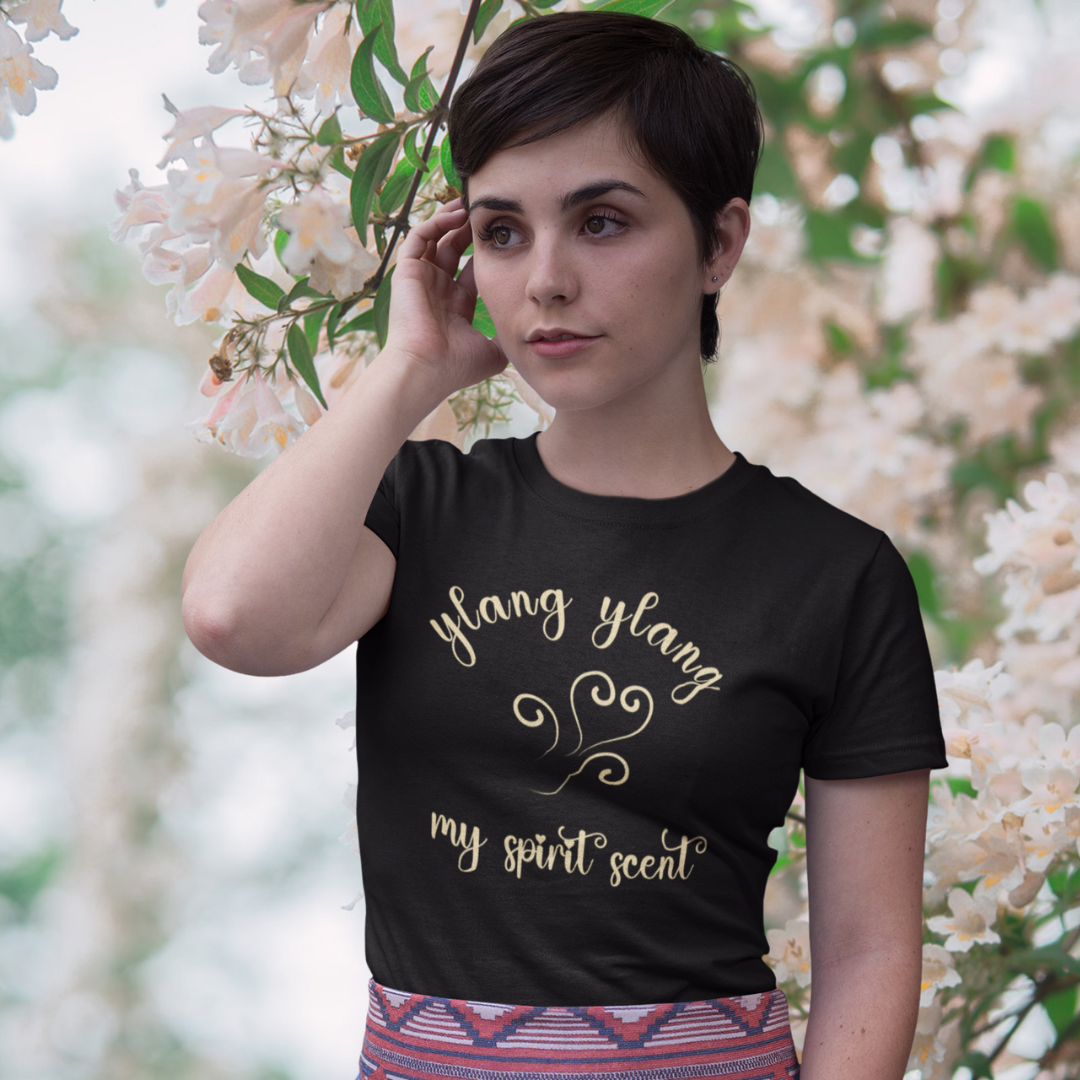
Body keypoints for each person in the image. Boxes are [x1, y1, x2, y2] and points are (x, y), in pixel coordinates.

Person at [181, 12, 947, 1080]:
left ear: (720, 242)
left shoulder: (838, 575)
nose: (543, 279)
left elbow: (871, 951)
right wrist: (410, 371)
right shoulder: (420, 509)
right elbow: (233, 617)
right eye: (501, 231)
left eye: (601, 222)